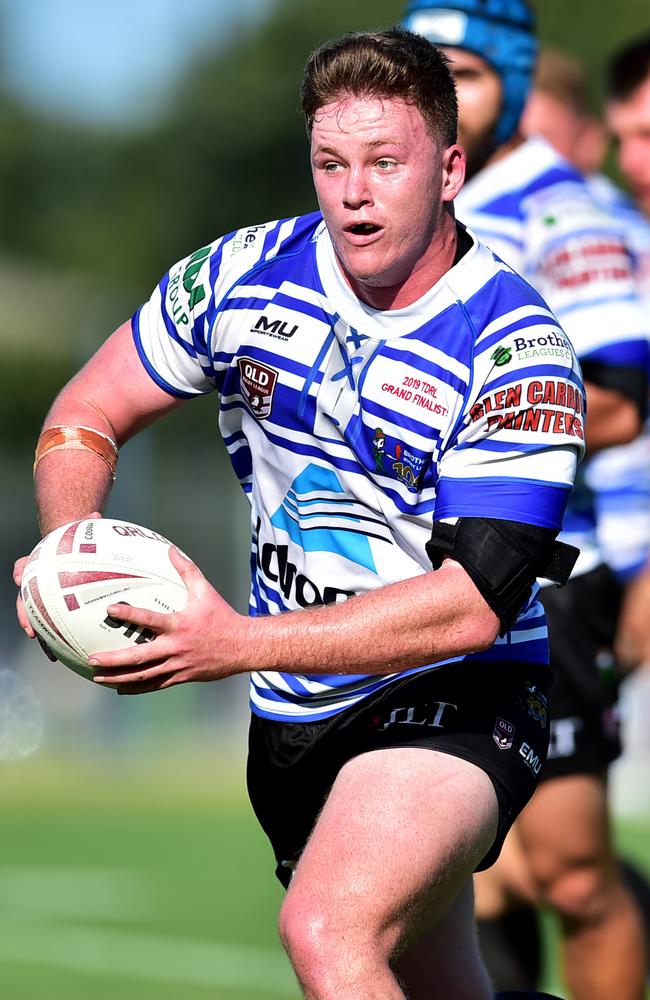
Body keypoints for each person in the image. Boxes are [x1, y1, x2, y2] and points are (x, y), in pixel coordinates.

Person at [14, 28, 585, 1000]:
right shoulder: (241, 275)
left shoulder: (513, 347)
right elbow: (85, 416)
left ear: (448, 170)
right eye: (330, 163)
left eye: (384, 163)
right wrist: (70, 545)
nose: (352, 191)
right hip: (290, 713)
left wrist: (230, 638)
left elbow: (471, 604)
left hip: (459, 686)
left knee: (328, 931)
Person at [399, 3, 650, 999]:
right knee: (458, 875)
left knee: (569, 873)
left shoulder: (558, 211)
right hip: (422, 576)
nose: (438, 93)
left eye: (461, 71)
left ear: (507, 79)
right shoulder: (411, 203)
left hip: (545, 578)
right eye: (421, 69)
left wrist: (455, 436)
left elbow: (621, 405)